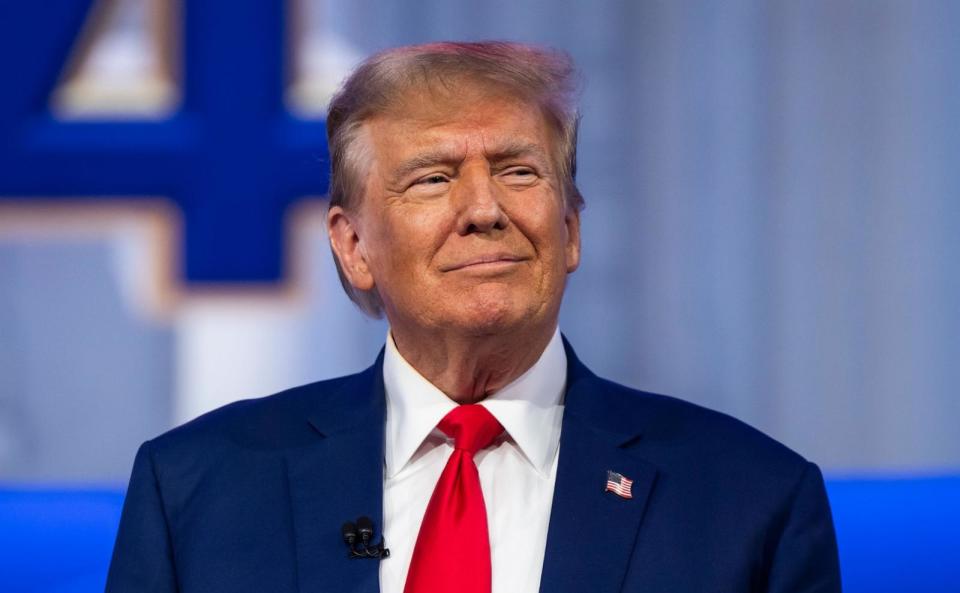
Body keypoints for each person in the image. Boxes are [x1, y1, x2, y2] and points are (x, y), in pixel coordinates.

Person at [105, 41, 841, 593]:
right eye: (434, 178)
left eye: (519, 171)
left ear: (571, 228)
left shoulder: (751, 500)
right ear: (354, 246)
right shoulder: (197, 490)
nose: (485, 211)